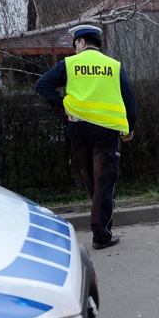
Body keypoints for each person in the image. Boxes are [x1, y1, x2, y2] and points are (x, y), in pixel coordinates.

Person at [36, 24, 138, 250]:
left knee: (91, 177)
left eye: (75, 45)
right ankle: (101, 235)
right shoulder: (113, 66)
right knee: (105, 179)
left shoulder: (70, 64)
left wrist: (62, 104)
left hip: (78, 129)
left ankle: (99, 223)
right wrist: (129, 126)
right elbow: (130, 100)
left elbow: (42, 85)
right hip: (106, 130)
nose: (75, 50)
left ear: (81, 42)